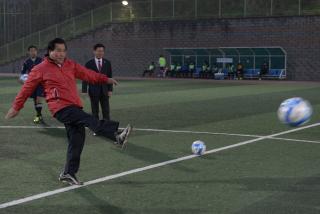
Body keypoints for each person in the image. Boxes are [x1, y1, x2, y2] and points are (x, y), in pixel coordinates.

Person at [5, 38, 132, 186]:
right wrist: (16, 107)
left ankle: (68, 173)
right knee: (88, 119)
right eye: (57, 50)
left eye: (63, 51)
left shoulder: (70, 64)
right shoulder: (40, 68)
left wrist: (105, 79)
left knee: (77, 140)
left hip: (74, 105)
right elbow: (26, 89)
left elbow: (87, 74)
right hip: (60, 107)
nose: (60, 54)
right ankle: (115, 135)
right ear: (50, 51)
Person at [82, 44, 113, 121]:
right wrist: (84, 91)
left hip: (104, 90)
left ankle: (107, 128)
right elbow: (85, 77)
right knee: (95, 111)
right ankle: (96, 129)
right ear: (94, 51)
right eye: (99, 51)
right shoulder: (89, 63)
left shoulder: (107, 63)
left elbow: (109, 76)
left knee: (106, 111)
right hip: (93, 90)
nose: (100, 53)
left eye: (102, 51)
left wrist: (110, 90)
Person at [20, 45, 45, 124]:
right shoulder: (26, 62)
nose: (33, 52)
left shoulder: (41, 60)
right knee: (35, 100)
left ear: (36, 51)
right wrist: (24, 79)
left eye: (34, 50)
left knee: (38, 98)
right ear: (29, 52)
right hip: (32, 84)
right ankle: (39, 114)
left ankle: (38, 116)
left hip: (40, 83)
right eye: (31, 51)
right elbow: (23, 73)